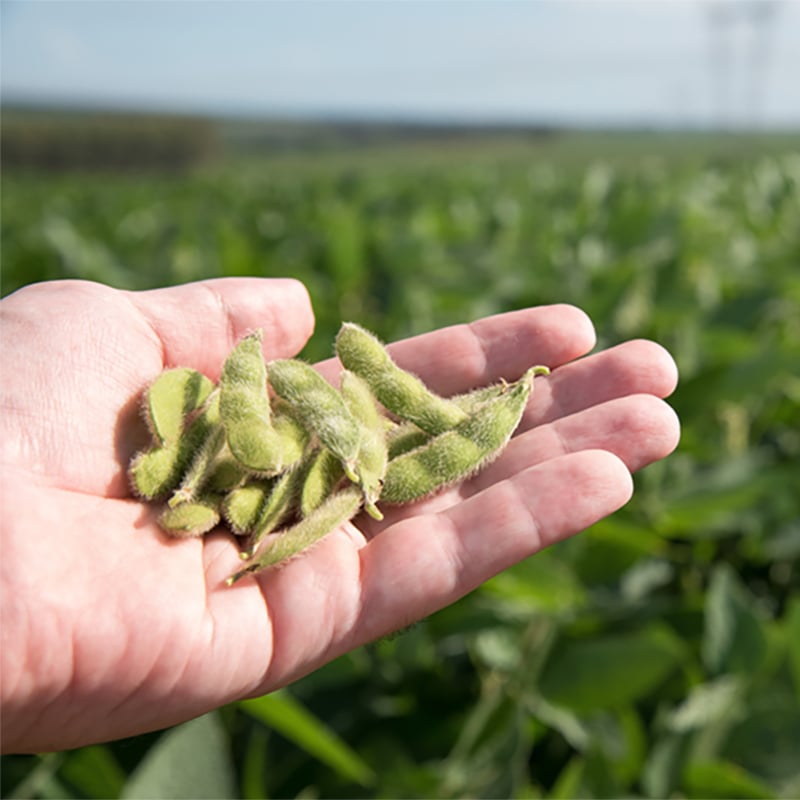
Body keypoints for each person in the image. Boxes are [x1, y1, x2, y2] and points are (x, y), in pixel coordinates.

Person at [0, 278, 680, 754]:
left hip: (340, 470)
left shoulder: (334, 433)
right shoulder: (229, 430)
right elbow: (257, 425)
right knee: (287, 448)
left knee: (398, 436)